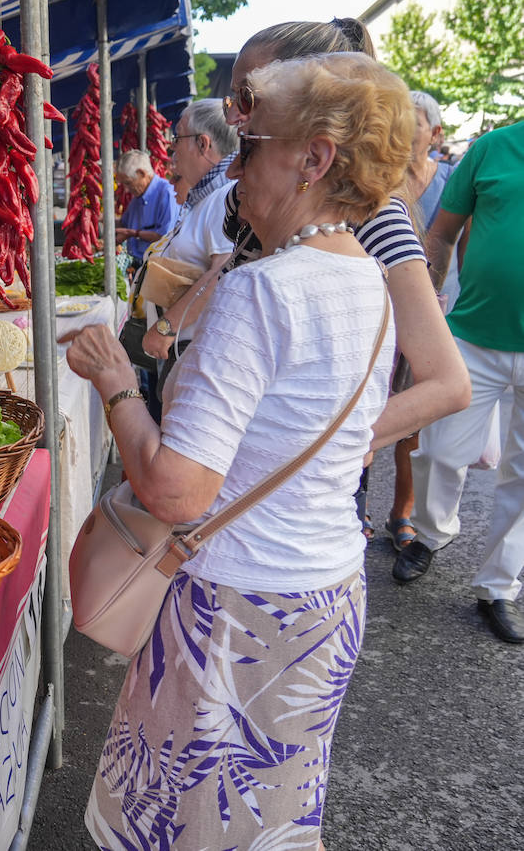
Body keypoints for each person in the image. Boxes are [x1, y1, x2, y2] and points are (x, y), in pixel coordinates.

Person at [67, 52, 415, 851]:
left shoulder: (265, 289)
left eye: (251, 147)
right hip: (323, 595)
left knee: (184, 824)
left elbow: (176, 493)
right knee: (266, 819)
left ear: (314, 159)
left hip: (236, 607)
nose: (234, 166)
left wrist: (117, 382)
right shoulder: (366, 276)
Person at [218, 19, 469, 546]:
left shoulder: (373, 215)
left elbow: (448, 382)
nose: (237, 114)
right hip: (231, 491)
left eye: (247, 93)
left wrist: (326, 440)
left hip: (292, 509)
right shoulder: (265, 188)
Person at [395, 119, 524, 643]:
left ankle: (498, 587)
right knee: (441, 451)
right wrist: (427, 307)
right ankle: (430, 532)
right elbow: (443, 231)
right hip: (474, 333)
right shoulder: (492, 148)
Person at [383, 91, 457, 548]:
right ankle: (354, 507)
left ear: (434, 132)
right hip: (383, 310)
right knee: (369, 401)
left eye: (412, 120)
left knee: (415, 419)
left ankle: (402, 512)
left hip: (437, 311)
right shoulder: (383, 177)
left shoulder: (451, 180)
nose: (403, 128)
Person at [137, 99, 238, 389]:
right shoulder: (206, 197)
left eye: (177, 138)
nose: (172, 150)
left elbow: (223, 273)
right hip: (184, 351)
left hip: (196, 353)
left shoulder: (223, 198)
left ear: (203, 144)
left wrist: (168, 326)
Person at [113, 149, 179, 266]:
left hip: (158, 267)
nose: (127, 189)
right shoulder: (137, 198)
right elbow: (124, 223)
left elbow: (165, 236)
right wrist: (100, 219)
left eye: (128, 183)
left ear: (142, 174)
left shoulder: (166, 193)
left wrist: (133, 233)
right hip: (138, 264)